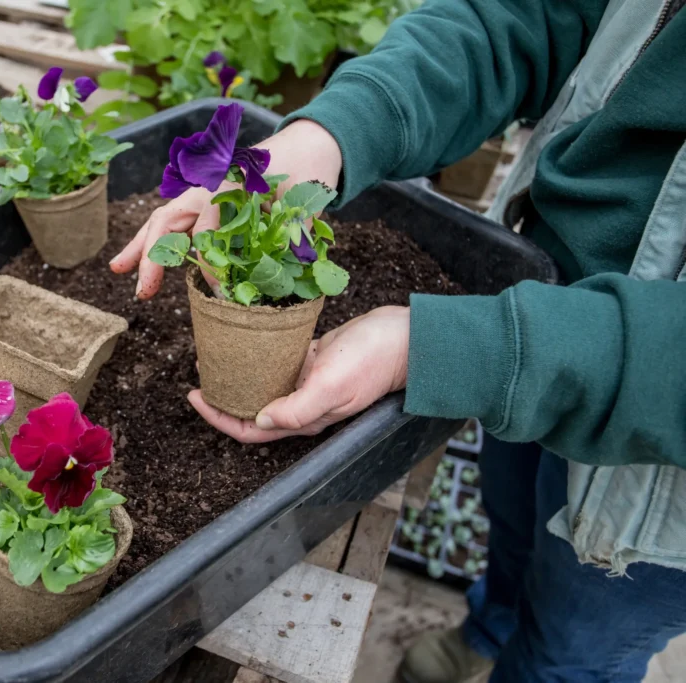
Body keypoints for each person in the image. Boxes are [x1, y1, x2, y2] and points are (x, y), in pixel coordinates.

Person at [109, 0, 686, 680]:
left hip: (654, 472)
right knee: (513, 516)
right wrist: (330, 135)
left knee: (575, 639)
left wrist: (445, 348)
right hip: (538, 297)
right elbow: (514, 18)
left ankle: (532, 655)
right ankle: (492, 625)